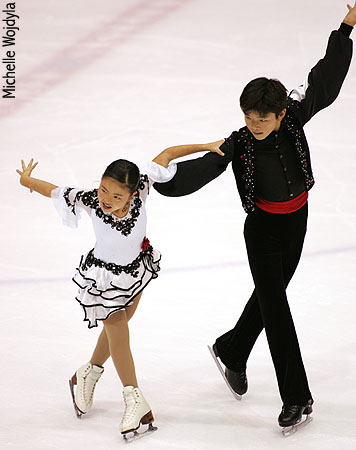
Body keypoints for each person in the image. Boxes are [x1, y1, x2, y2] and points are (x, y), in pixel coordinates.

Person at [152, 4, 355, 430]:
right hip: (261, 231)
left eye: (262, 117)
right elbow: (199, 172)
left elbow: (325, 79)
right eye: (248, 115)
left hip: (298, 221)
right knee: (277, 308)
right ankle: (297, 397)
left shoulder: (295, 114)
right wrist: (162, 178)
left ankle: (232, 350)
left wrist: (346, 28)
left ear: (281, 113)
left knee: (270, 297)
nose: (254, 123)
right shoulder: (238, 143)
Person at [16, 143, 224, 439]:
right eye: (103, 190)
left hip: (135, 272)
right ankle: (134, 398)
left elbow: (165, 155)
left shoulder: (142, 187)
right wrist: (27, 181)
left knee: (119, 328)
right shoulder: (89, 200)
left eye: (116, 195)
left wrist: (205, 146)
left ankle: (86, 374)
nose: (106, 200)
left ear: (131, 193)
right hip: (103, 280)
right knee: (119, 332)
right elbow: (54, 190)